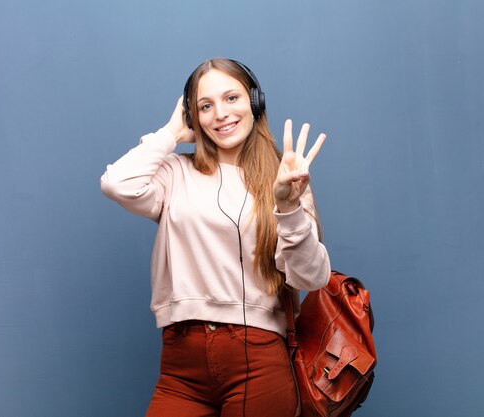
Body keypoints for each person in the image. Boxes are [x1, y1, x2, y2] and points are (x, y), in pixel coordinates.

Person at [100, 58, 331, 417]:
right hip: (181, 361)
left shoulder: (284, 180)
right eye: (205, 106)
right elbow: (117, 183)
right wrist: (172, 133)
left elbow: (310, 277)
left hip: (257, 356)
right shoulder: (175, 172)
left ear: (255, 102)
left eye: (232, 98)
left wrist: (288, 206)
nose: (220, 114)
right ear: (193, 117)